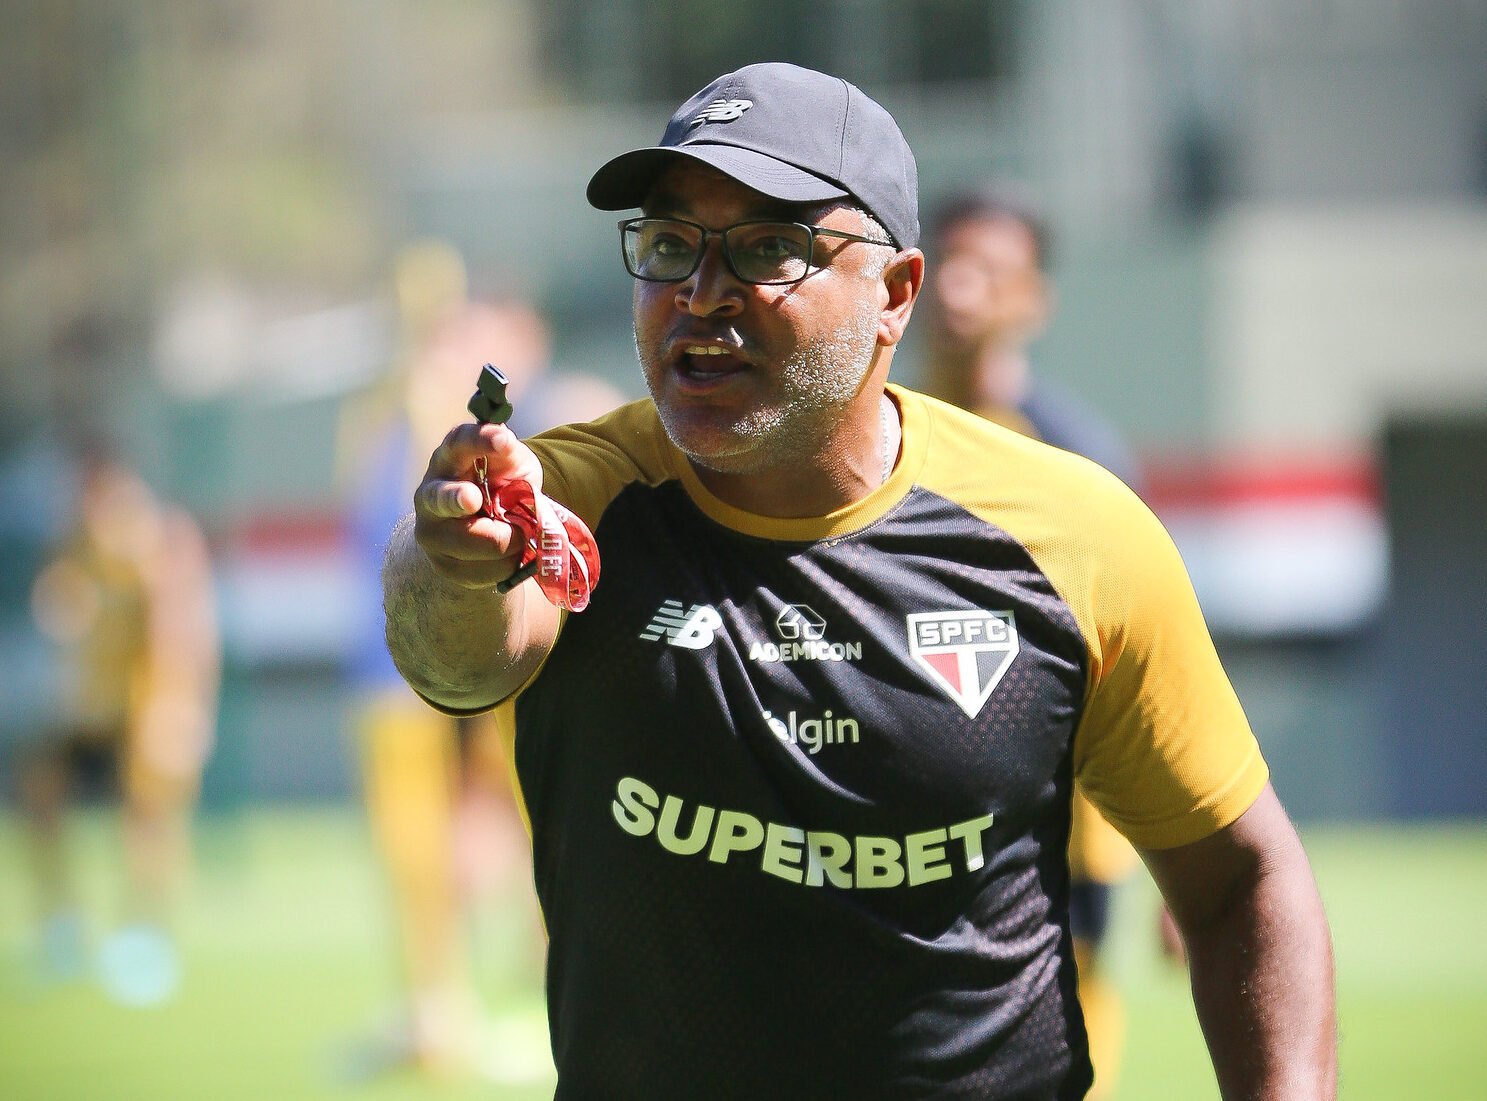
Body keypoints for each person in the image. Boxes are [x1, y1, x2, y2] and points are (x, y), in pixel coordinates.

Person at [381, 62, 1336, 1099]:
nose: (701, 291)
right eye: (667, 244)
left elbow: (1241, 878)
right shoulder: (584, 494)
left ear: (894, 294)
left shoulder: (1073, 533)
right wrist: (454, 562)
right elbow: (456, 657)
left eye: (766, 247)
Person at [337, 241, 621, 1081]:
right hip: (401, 663)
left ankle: (561, 997)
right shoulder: (401, 413)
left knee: (547, 828)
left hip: (522, 659)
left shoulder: (561, 408)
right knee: (419, 849)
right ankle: (438, 1007)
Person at [921, 186, 1146, 1099]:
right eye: (948, 263)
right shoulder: (864, 439)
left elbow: (1144, 657)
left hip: (1056, 826)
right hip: (896, 803)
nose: (959, 289)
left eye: (989, 270)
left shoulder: (1077, 461)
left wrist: (1188, 863)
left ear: (1033, 300)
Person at [24, 453, 219, 1007]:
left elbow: (180, 630)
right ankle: (62, 927)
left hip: (153, 705)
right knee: (40, 790)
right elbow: (61, 606)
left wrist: (183, 711)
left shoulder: (161, 541)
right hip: (96, 706)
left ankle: (145, 936)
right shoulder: (75, 544)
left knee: (150, 816)